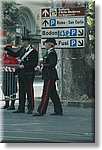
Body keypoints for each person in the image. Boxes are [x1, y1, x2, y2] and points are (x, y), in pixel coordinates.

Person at [5, 37, 38, 114]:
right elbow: (16, 54)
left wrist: (25, 66)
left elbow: (34, 63)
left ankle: (30, 107)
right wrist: (8, 50)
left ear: (27, 42)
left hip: (29, 73)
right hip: (22, 73)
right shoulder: (22, 49)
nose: (22, 43)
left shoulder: (33, 52)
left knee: (29, 91)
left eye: (23, 41)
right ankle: (21, 107)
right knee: (21, 91)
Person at [33, 38, 63, 116]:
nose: (45, 45)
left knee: (46, 93)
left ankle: (41, 111)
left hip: (50, 75)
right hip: (48, 75)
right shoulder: (48, 53)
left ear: (50, 44)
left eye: (46, 43)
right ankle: (58, 110)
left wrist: (43, 65)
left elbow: (53, 64)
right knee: (53, 94)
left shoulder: (52, 53)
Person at [2, 44, 19, 110]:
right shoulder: (4, 56)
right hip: (5, 73)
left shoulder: (12, 56)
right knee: (5, 89)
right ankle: (7, 104)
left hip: (11, 74)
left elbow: (15, 64)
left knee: (12, 89)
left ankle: (12, 104)